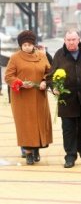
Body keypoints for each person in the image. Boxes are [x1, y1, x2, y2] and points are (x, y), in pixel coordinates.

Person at [46, 29, 81, 168]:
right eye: (68, 40)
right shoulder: (59, 54)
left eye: (73, 39)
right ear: (64, 40)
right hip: (67, 99)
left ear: (78, 40)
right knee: (68, 129)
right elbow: (50, 76)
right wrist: (54, 87)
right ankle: (70, 156)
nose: (71, 42)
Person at [5, 30, 52, 165]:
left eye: (29, 44)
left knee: (39, 124)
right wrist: (20, 83)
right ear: (20, 45)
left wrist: (44, 81)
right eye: (24, 45)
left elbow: (49, 72)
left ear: (33, 45)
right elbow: (8, 76)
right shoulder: (15, 58)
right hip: (22, 99)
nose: (27, 47)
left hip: (39, 96)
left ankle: (36, 149)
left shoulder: (42, 56)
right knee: (26, 125)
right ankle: (28, 152)